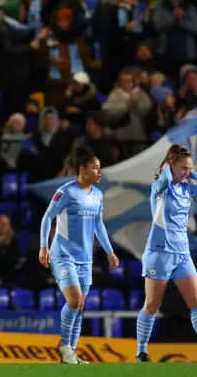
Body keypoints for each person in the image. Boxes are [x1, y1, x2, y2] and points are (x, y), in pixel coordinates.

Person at [135, 144, 197, 363]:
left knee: (196, 300)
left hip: (182, 254)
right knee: (152, 304)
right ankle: (141, 352)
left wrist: (192, 173)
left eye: (189, 169)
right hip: (160, 253)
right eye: (183, 168)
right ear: (171, 167)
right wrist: (167, 168)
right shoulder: (160, 188)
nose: (186, 173)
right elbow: (163, 179)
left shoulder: (188, 188)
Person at [38, 145, 119, 365]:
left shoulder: (98, 195)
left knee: (80, 305)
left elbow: (99, 225)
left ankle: (70, 353)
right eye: (95, 167)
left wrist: (110, 252)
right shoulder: (66, 191)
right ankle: (64, 346)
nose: (99, 172)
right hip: (62, 254)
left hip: (85, 258)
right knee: (74, 300)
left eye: (100, 168)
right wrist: (43, 246)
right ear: (82, 169)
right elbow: (47, 218)